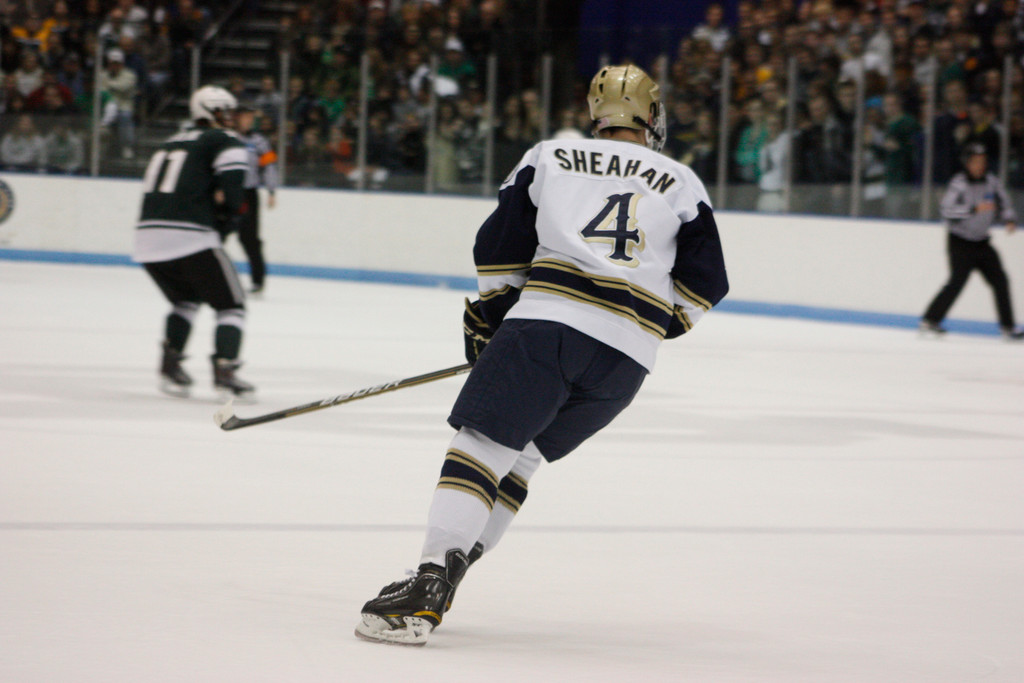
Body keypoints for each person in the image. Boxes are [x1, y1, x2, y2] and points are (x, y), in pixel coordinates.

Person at [354, 64, 729, 646]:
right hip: (626, 365)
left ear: (594, 113)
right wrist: (652, 324)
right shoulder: (682, 181)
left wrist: (498, 316)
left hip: (548, 329)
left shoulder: (551, 156)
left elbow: (499, 244)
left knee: (481, 444)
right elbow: (707, 283)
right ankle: (448, 580)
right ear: (651, 117)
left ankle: (428, 583)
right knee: (522, 459)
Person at [132, 85, 257, 398]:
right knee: (232, 306)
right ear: (209, 112)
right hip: (190, 235)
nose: (230, 117)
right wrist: (233, 216)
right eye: (224, 111)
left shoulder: (170, 141)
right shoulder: (226, 141)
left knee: (185, 301)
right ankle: (225, 371)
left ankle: (170, 367)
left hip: (146, 239)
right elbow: (233, 196)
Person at [920, 143, 1023, 340]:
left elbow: (1004, 204)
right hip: (960, 241)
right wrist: (973, 209)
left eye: (982, 162)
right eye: (975, 162)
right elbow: (946, 211)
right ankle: (930, 320)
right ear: (967, 164)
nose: (979, 166)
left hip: (982, 242)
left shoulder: (992, 182)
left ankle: (1008, 328)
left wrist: (1009, 219)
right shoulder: (958, 184)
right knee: (957, 281)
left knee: (1000, 281)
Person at [231, 105, 279, 295]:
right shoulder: (228, 138)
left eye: (251, 117)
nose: (249, 120)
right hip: (227, 192)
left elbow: (269, 166)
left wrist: (272, 191)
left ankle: (258, 280)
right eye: (245, 117)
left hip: (249, 194)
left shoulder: (260, 141)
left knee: (250, 238)